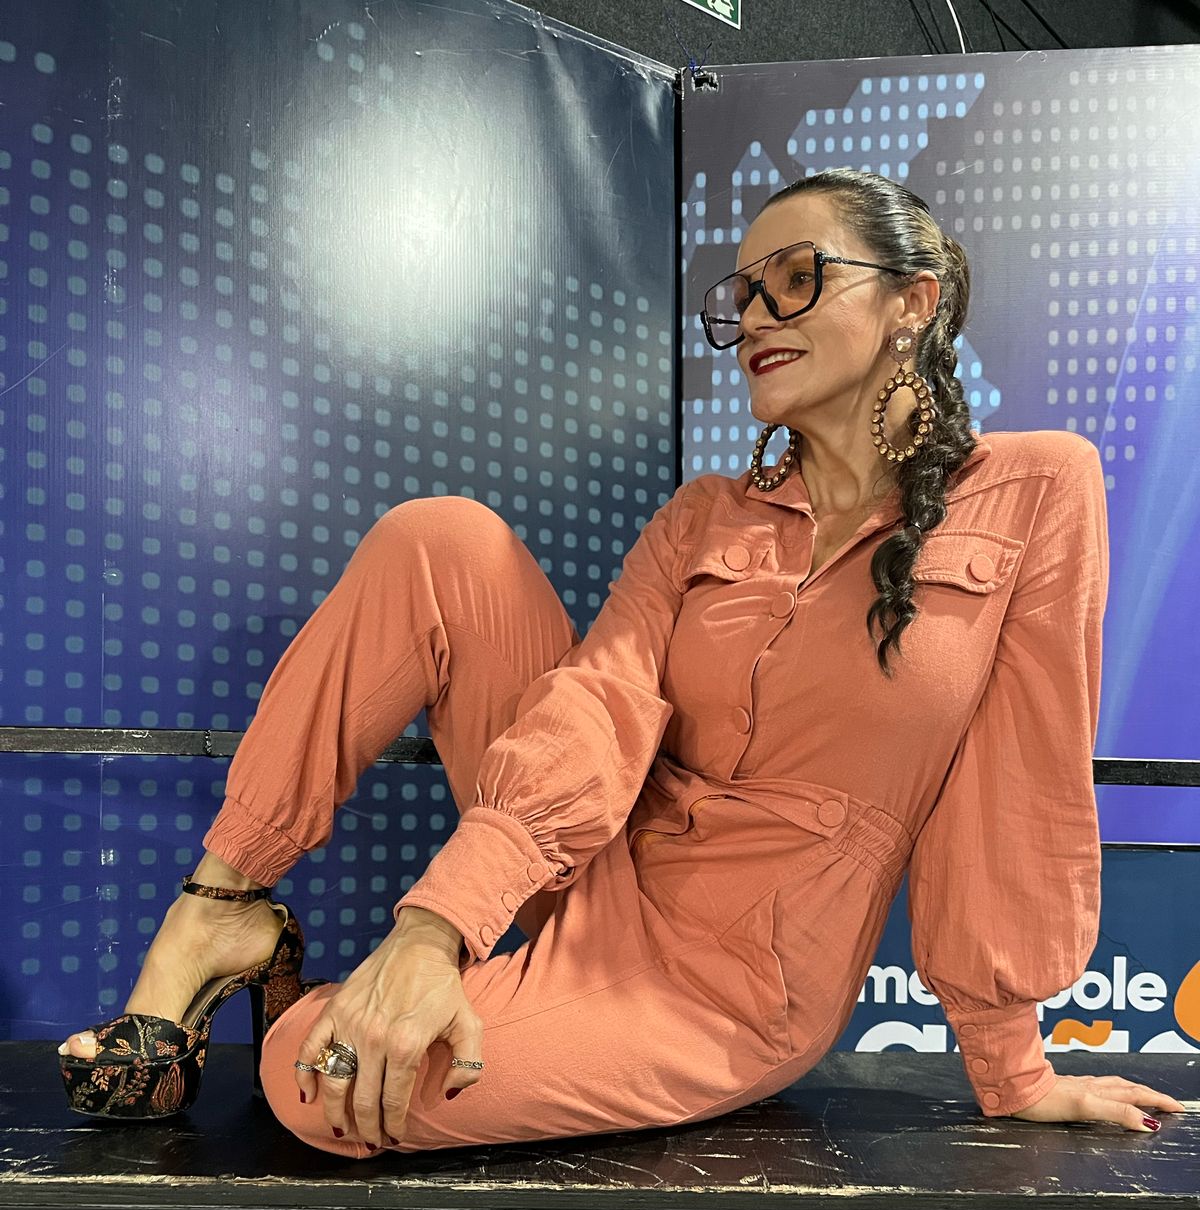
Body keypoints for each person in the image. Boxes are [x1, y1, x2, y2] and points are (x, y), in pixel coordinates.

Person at [57, 166, 1185, 1155]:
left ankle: (362, 1006)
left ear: (911, 303)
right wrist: (438, 923)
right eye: (741, 295)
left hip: (729, 981)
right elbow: (597, 705)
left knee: (315, 1077)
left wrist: (1010, 1065)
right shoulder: (705, 515)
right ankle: (222, 907)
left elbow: (1017, 780)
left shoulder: (1039, 486)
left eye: (795, 280)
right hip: (594, 861)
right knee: (443, 540)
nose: (756, 316)